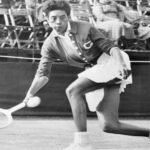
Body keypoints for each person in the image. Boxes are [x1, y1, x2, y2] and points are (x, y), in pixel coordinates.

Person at [23, 0, 150, 150]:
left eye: (63, 17)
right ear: (46, 18)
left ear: (68, 16)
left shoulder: (85, 27)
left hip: (113, 62)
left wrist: (122, 65)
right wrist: (30, 93)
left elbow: (110, 48)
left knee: (73, 90)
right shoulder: (50, 44)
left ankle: (82, 142)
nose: (59, 22)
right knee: (109, 125)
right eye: (54, 18)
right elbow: (42, 74)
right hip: (96, 70)